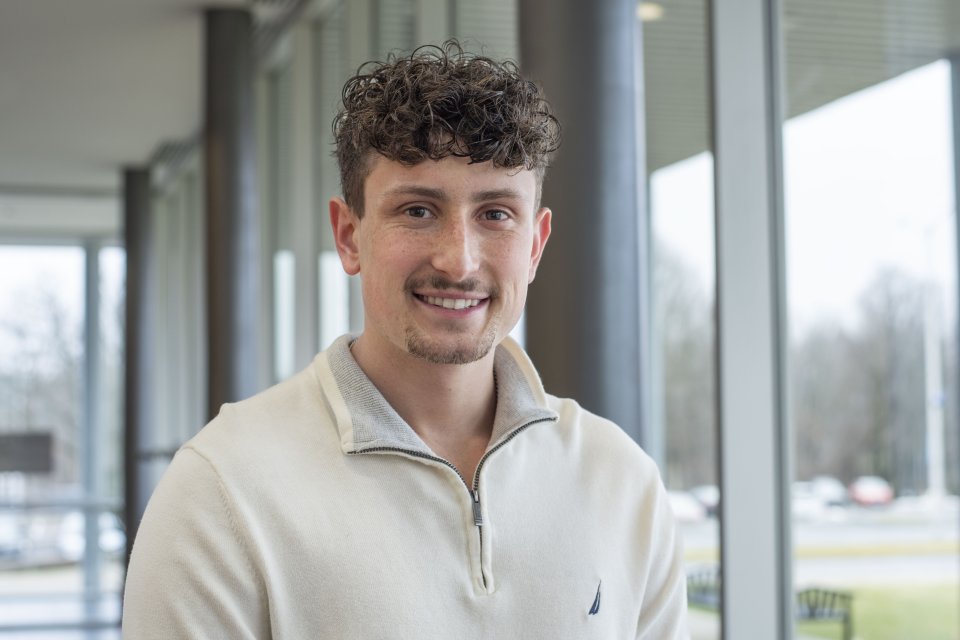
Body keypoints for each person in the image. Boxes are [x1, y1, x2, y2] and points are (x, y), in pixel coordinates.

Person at [122, 41, 689, 639]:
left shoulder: (621, 480)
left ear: (536, 246)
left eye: (496, 214)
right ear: (348, 236)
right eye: (418, 211)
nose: (457, 260)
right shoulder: (223, 490)